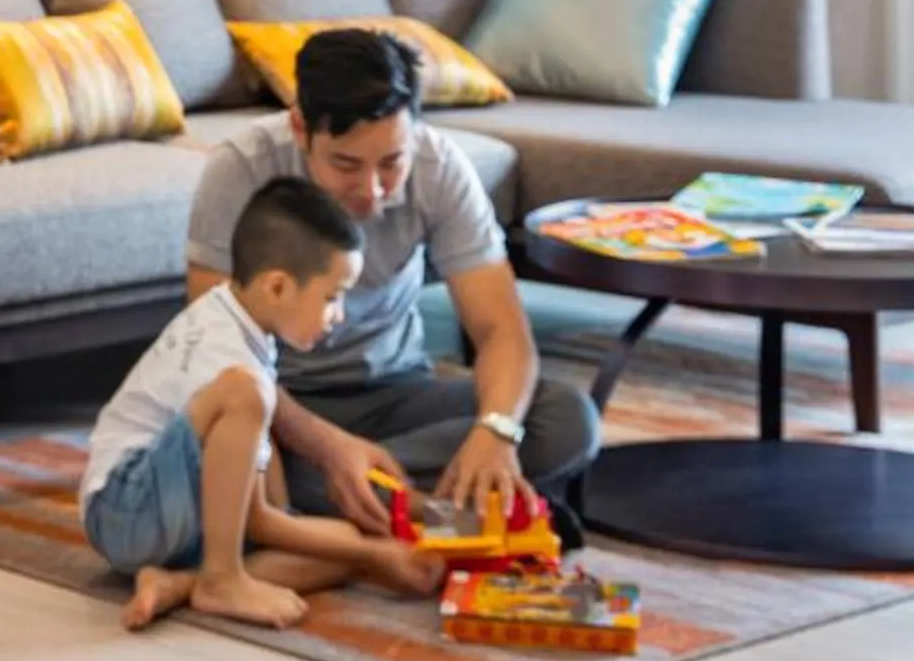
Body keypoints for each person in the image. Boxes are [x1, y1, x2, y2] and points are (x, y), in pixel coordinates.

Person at [184, 28, 601, 540]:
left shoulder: (439, 168)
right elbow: (217, 349)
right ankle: (433, 507)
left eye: (391, 163)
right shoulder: (241, 170)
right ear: (300, 128)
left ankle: (365, 499)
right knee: (222, 455)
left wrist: (495, 433)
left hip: (396, 395)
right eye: (345, 165)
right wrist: (328, 447)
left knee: (566, 418)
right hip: (274, 401)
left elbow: (502, 331)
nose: (372, 190)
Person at [85, 176, 446, 631]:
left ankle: (179, 583)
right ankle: (220, 580)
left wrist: (359, 546)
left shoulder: (247, 326)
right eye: (332, 297)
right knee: (250, 394)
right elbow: (258, 520)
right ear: (277, 286)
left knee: (340, 548)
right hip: (124, 508)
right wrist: (375, 550)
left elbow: (266, 498)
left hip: (174, 513)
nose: (339, 315)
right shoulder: (227, 358)